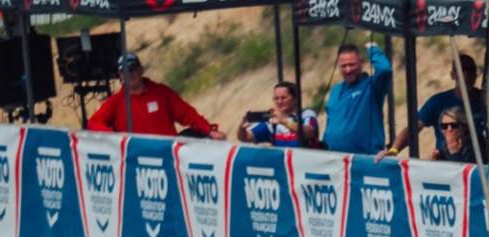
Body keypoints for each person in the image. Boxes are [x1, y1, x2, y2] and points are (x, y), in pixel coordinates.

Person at [87, 52, 224, 138]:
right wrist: (114, 137)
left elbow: (188, 114)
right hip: (135, 162)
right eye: (125, 72)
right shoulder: (115, 101)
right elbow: (93, 123)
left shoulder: (162, 93)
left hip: (167, 158)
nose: (130, 74)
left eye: (133, 69)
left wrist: (208, 130)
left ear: (141, 70)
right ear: (120, 75)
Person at [380, 53, 486, 161]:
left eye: (470, 69)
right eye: (461, 69)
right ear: (453, 75)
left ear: (476, 74)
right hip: (446, 168)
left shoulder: (487, 101)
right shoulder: (438, 101)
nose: (466, 74)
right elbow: (413, 129)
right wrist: (394, 150)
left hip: (480, 169)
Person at [322, 42, 392, 155]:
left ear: (361, 63)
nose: (348, 70)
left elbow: (385, 69)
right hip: (335, 159)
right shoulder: (335, 90)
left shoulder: (372, 86)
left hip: (365, 159)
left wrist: (372, 48)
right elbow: (330, 122)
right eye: (343, 66)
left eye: (352, 64)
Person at [237, 81, 317, 148]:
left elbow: (309, 133)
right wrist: (241, 128)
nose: (279, 102)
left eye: (283, 98)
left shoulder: (306, 114)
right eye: (276, 98)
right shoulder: (272, 121)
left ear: (295, 99)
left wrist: (283, 121)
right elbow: (245, 137)